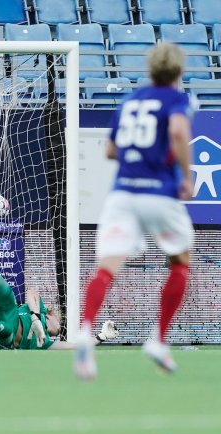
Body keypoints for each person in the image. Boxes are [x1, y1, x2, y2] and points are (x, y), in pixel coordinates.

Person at [75, 42, 196, 380]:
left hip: (123, 193)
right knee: (180, 262)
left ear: (150, 68)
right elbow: (177, 131)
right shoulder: (175, 99)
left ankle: (85, 331)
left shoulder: (130, 101)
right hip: (160, 193)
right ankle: (158, 339)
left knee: (106, 268)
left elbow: (111, 149)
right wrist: (185, 177)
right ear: (178, 72)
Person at [0, 262, 118, 350]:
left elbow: (76, 346)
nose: (58, 330)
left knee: (4, 330)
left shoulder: (46, 343)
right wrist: (35, 317)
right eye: (59, 324)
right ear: (50, 316)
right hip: (8, 311)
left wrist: (101, 337)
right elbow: (31, 294)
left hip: (4, 339)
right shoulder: (40, 309)